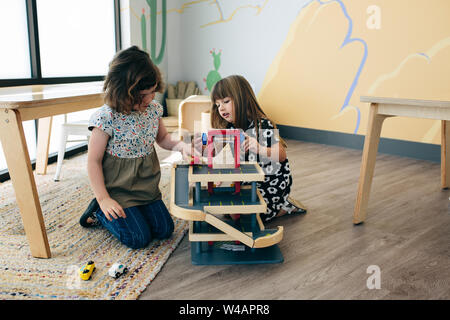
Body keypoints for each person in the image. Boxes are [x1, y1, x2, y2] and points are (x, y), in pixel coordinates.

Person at [79, 46, 196, 249]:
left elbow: (163, 139)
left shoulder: (153, 111)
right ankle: (98, 210)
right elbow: (93, 161)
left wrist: (180, 146)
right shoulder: (106, 117)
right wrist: (104, 198)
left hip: (145, 187)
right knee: (138, 238)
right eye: (142, 95)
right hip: (117, 190)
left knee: (164, 230)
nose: (149, 99)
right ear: (121, 92)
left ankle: (133, 212)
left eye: (152, 93)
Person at [210, 75, 307, 222]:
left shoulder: (262, 125)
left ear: (242, 98)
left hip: (269, 185)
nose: (221, 108)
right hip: (248, 180)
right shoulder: (231, 127)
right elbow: (229, 156)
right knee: (226, 207)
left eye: (226, 101)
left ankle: (283, 207)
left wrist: (260, 148)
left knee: (245, 216)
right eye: (217, 105)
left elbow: (281, 155)